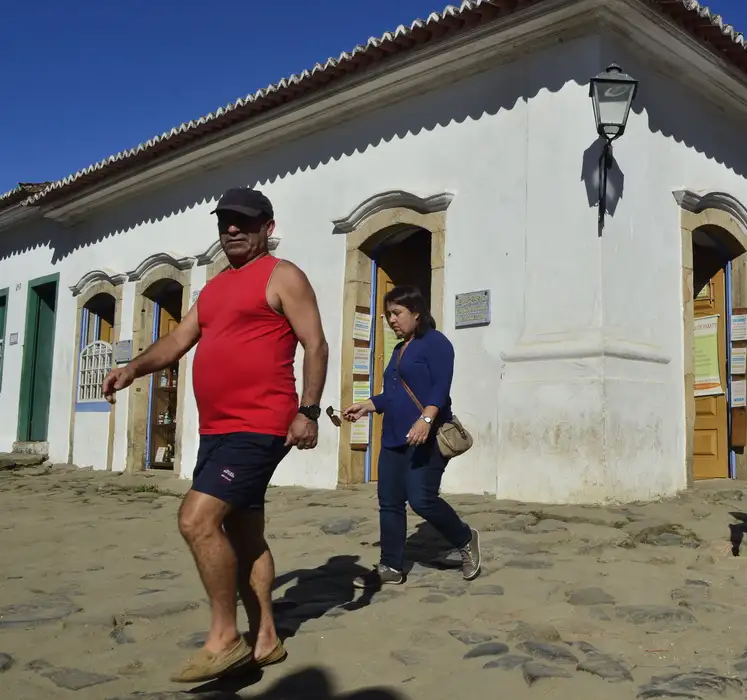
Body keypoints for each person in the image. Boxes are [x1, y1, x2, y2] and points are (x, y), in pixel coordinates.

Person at [102, 187, 328, 681]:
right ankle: (265, 638)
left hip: (260, 424)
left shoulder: (282, 275)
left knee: (196, 520)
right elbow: (180, 340)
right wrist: (133, 368)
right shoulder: (213, 288)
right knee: (244, 532)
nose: (231, 229)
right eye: (224, 221)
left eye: (243, 222)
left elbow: (315, 343)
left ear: (267, 227)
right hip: (218, 428)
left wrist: (307, 410)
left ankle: (225, 636)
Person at [344, 285, 481, 588]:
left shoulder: (436, 344)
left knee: (422, 499)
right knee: (390, 502)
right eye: (388, 314)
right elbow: (393, 394)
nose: (391, 320)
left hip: (426, 438)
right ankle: (391, 565)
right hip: (393, 436)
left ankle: (464, 537)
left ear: (416, 313)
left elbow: (439, 389)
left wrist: (426, 419)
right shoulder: (397, 349)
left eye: (397, 313)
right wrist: (367, 405)